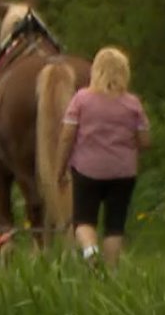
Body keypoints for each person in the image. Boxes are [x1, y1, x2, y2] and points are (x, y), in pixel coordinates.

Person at [57, 46, 152, 268]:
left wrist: (60, 168)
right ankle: (111, 273)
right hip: (123, 173)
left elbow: (66, 137)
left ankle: (91, 253)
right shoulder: (133, 104)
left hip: (87, 170)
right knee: (115, 225)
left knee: (83, 220)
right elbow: (146, 141)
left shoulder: (81, 99)